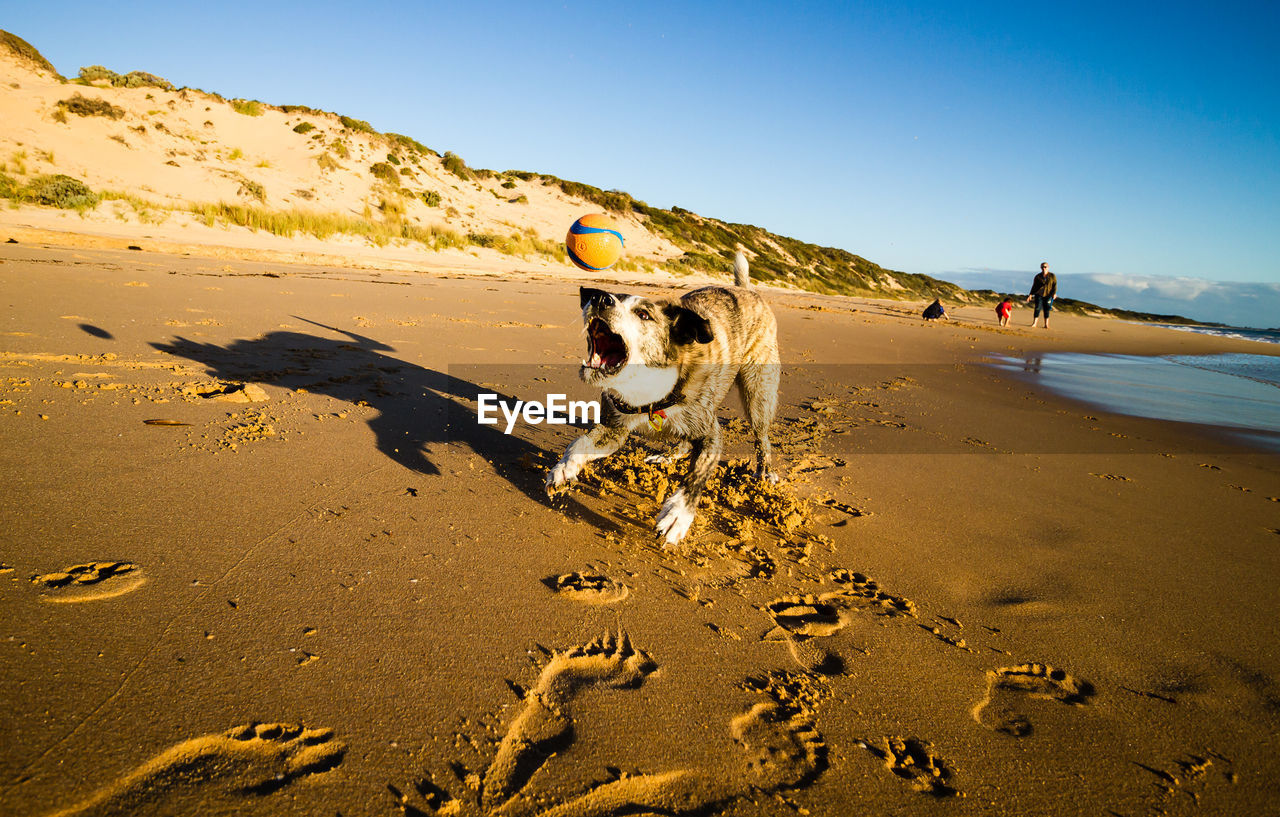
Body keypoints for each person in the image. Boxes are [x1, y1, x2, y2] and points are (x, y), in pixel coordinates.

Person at [1025, 262, 1057, 328]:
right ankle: (1034, 323)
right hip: (1039, 294)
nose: (1044, 268)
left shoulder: (1052, 276)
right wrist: (1030, 295)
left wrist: (1054, 294)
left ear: (1048, 267)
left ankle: (1046, 325)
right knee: (1037, 308)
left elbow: (1055, 285)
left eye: (1045, 267)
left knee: (1046, 309)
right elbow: (1034, 286)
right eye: (1042, 267)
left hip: (1048, 295)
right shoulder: (1038, 276)